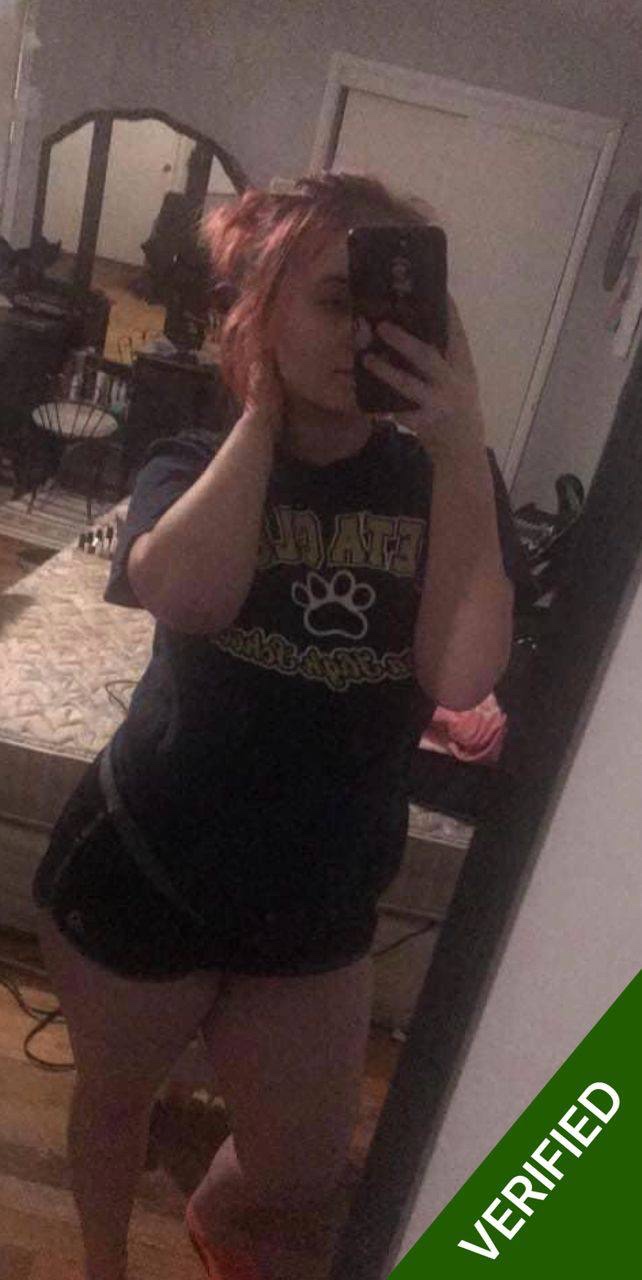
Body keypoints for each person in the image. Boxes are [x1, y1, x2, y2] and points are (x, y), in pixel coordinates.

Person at [31, 171, 527, 1280]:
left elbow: (461, 670)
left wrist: (462, 443)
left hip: (320, 894)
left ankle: (216, 1215)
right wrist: (260, 410)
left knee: (300, 1167)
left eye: (394, 306)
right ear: (261, 311)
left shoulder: (444, 482)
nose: (365, 334)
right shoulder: (185, 460)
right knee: (115, 1101)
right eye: (335, 301)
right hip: (148, 859)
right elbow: (189, 595)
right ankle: (103, 1265)